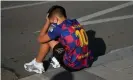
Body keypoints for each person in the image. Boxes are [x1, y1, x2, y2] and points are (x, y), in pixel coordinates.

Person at [24, 5, 94, 74]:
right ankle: (57, 58)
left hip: (72, 65)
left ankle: (37, 64)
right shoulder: (74, 22)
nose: (52, 23)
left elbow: (40, 39)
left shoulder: (59, 28)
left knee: (47, 40)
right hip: (86, 61)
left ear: (55, 19)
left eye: (52, 22)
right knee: (59, 37)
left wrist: (47, 22)